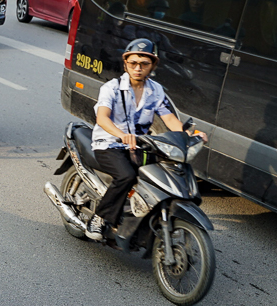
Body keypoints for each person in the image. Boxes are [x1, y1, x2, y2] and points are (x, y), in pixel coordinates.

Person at [86, 39, 206, 241]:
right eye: (133, 63)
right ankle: (99, 218)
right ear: (125, 64)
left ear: (153, 66)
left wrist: (190, 135)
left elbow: (169, 118)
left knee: (164, 173)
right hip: (109, 144)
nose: (138, 68)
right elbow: (102, 118)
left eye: (144, 64)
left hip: (140, 145)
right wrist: (121, 134)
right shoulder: (112, 88)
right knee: (127, 176)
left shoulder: (156, 90)